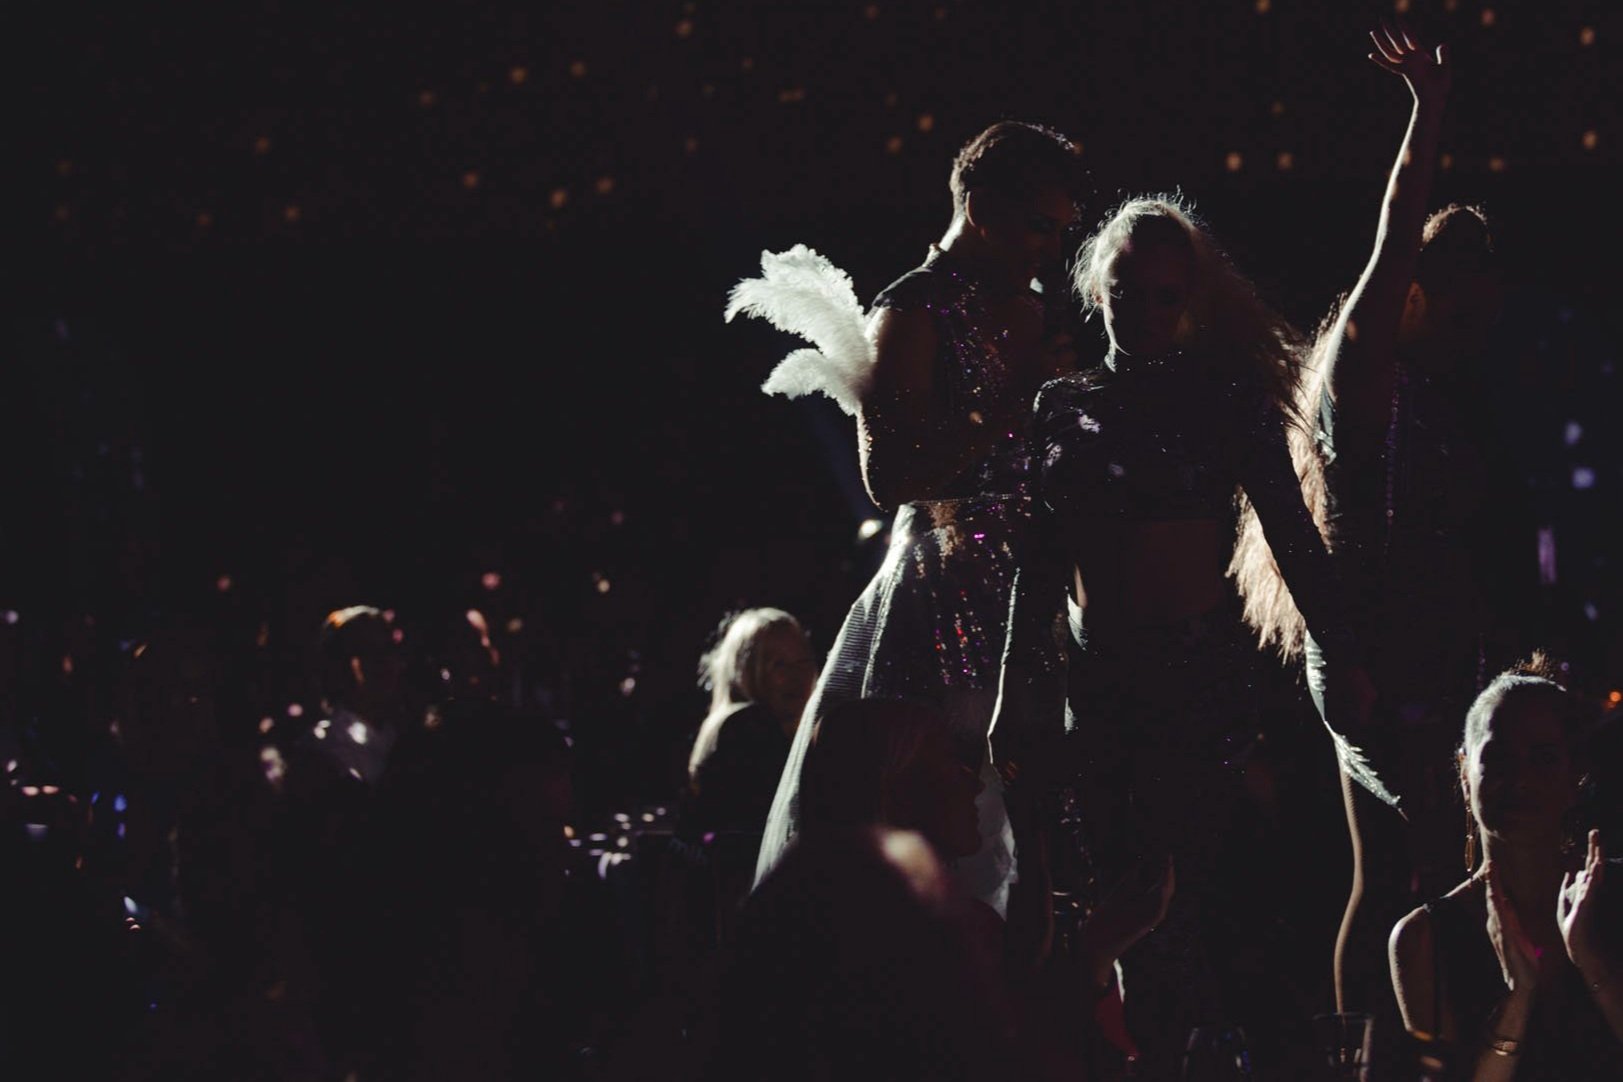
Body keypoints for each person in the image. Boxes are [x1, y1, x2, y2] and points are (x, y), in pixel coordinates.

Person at [992, 191, 1376, 1076]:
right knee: (1120, 903)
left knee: (1191, 899)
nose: (1144, 309)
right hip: (1097, 679)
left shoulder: (1222, 397)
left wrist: (1343, 652)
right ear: (1099, 288)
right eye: (1127, 289)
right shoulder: (1062, 404)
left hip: (1198, 680)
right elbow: (1038, 562)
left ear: (1189, 298)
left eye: (1165, 294)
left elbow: (1291, 534)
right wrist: (1017, 690)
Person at [1228, 21, 1534, 1028]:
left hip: (1393, 652)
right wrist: (1427, 110)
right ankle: (1439, 1047)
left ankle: (1370, 1053)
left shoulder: (1427, 389)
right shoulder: (1367, 373)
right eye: (1460, 315)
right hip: (1378, 662)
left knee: (1383, 874)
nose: (1474, 336)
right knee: (1445, 869)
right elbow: (1397, 222)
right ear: (1409, 296)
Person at [739, 119, 1085, 915]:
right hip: (941, 605)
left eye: (1061, 230)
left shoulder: (1033, 310)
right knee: (938, 830)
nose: (1049, 249)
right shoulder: (912, 309)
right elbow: (888, 477)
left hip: (1036, 597)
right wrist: (1010, 401)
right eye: (1039, 224)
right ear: (980, 207)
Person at [1388, 657, 1623, 1079]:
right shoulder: (1424, 938)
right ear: (1465, 773)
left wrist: (1592, 963)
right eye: (1499, 760)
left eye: (1543, 758)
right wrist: (1519, 997)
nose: (1520, 779)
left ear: (1577, 775)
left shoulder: (1615, 894)